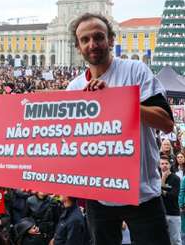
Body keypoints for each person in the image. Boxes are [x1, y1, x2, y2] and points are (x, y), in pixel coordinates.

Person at [66, 13, 174, 245]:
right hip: (98, 196)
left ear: (111, 40)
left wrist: (116, 101)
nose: (92, 44)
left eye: (98, 37)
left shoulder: (136, 71)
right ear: (78, 46)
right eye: (85, 40)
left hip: (141, 194)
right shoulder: (74, 87)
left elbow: (165, 122)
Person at [160, 156, 181, 245]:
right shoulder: (155, 177)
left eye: (166, 163)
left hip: (173, 213)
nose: (164, 165)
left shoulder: (175, 178)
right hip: (159, 213)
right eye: (162, 163)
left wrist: (161, 191)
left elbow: (174, 195)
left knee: (175, 240)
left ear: (170, 165)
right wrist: (163, 180)